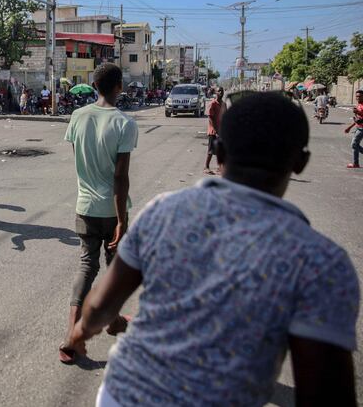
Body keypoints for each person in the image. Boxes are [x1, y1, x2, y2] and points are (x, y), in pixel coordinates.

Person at [68, 91, 359, 407]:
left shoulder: (163, 212)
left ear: (219, 152)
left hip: (122, 396)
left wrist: (80, 331)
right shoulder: (321, 262)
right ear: (300, 163)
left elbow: (99, 307)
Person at [58, 63, 138, 364]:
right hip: (111, 208)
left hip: (85, 207)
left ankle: (73, 336)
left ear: (94, 85)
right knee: (113, 271)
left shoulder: (78, 116)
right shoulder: (124, 123)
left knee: (86, 266)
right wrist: (121, 220)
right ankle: (111, 322)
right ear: (118, 86)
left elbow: (80, 161)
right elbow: (120, 177)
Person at [204, 86, 225, 175]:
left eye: (222, 91)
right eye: (219, 91)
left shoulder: (223, 104)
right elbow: (210, 118)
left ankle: (220, 168)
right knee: (211, 151)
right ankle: (206, 167)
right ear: (215, 93)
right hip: (213, 131)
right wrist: (216, 131)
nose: (221, 92)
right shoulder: (212, 104)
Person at [344, 88, 363, 169]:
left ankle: (356, 163)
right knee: (355, 145)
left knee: (354, 144)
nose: (357, 98)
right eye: (357, 96)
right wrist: (349, 127)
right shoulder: (358, 105)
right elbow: (357, 119)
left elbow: (360, 115)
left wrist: (358, 112)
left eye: (360, 96)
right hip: (359, 127)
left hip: (362, 129)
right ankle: (356, 163)